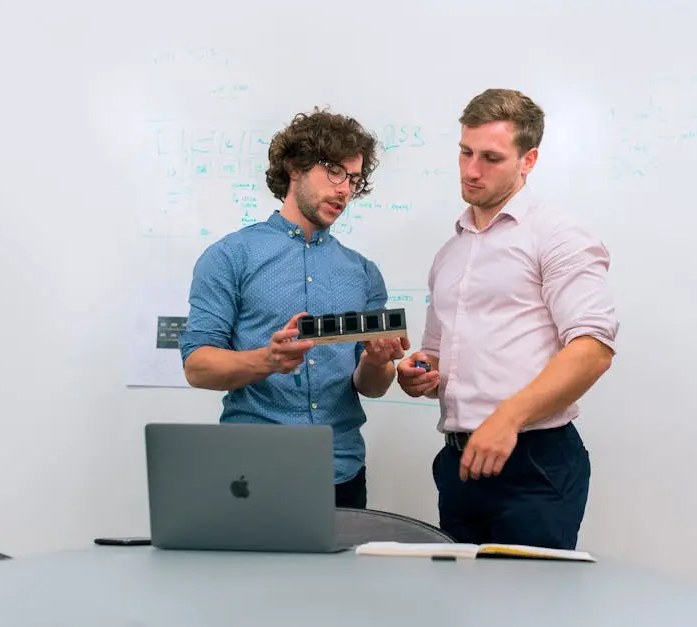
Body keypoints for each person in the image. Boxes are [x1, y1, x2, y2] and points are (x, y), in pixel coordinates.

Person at [396, 88, 619, 549]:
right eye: (465, 152)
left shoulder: (558, 236)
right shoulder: (450, 252)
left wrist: (507, 418)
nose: (471, 170)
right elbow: (437, 357)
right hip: (459, 464)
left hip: (533, 463)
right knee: (462, 612)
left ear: (528, 160)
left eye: (491, 158)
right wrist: (420, 372)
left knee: (528, 610)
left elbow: (593, 350)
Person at [180, 108, 407, 509]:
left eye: (354, 180)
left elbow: (371, 386)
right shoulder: (230, 257)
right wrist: (267, 360)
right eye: (334, 172)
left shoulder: (363, 273)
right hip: (251, 473)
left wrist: (377, 362)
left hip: (342, 473)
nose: (344, 190)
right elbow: (197, 366)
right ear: (295, 167)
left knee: (341, 576)